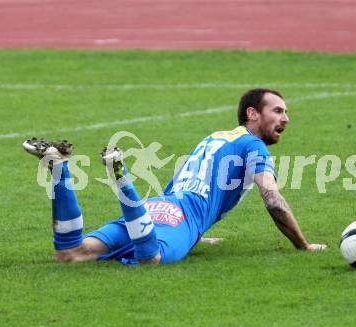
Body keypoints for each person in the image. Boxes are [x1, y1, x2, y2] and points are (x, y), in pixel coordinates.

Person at [23, 88, 327, 266]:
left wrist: (196, 234)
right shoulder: (254, 146)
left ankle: (60, 167)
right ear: (252, 114)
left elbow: (185, 185)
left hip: (156, 208)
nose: (286, 118)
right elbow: (272, 199)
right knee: (150, 259)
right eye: (278, 111)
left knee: (71, 253)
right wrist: (303, 245)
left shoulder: (215, 138)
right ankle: (121, 178)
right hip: (181, 217)